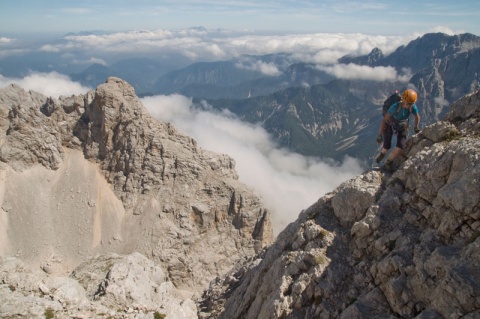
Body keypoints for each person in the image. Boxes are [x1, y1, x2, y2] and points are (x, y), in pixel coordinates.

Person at [376, 89, 420, 171]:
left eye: (412, 103)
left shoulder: (412, 106)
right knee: (387, 145)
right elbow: (384, 120)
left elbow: (417, 116)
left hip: (402, 125)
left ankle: (388, 162)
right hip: (389, 124)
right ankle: (382, 154)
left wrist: (416, 127)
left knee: (400, 146)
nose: (410, 105)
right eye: (409, 103)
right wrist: (380, 135)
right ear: (404, 100)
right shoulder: (395, 106)